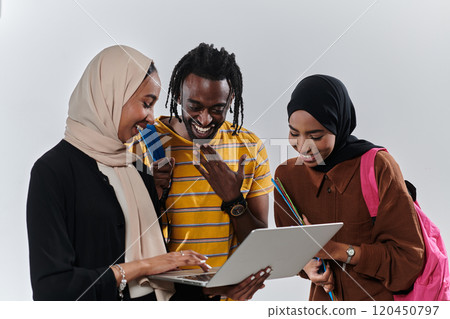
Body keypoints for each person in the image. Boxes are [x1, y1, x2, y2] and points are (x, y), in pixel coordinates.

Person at [26, 45, 269, 301]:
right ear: (112, 95)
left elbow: (150, 291)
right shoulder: (59, 169)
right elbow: (54, 289)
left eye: (217, 109)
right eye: (146, 103)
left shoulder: (128, 166)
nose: (205, 119)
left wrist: (213, 290)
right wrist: (145, 265)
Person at [274, 74, 425, 301]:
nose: (303, 146)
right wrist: (307, 266)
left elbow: (409, 263)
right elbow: (291, 252)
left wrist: (338, 250)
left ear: (339, 124)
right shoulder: (286, 177)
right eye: (294, 133)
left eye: (315, 136)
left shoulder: (377, 167)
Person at [140, 43, 273, 298]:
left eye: (217, 109)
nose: (204, 120)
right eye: (195, 107)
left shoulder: (250, 147)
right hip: (167, 300)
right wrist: (155, 191)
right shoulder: (144, 144)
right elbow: (129, 239)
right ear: (178, 97)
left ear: (231, 100)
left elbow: (258, 245)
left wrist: (234, 200)